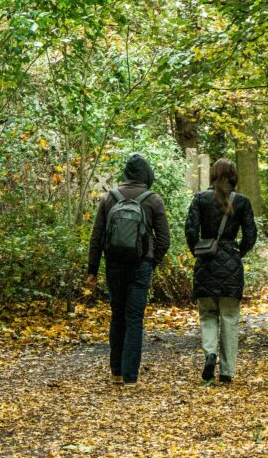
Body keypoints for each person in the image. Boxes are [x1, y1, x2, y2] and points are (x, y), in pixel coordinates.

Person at [86, 153, 170, 387]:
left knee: (117, 315)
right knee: (134, 318)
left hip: (114, 265)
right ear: (146, 174)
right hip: (140, 265)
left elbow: (97, 236)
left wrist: (92, 269)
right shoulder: (152, 200)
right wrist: (151, 262)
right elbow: (164, 239)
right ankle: (131, 376)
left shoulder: (109, 198)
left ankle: (116, 373)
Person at [184, 158, 257, 384]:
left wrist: (198, 251)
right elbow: (250, 235)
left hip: (206, 262)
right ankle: (226, 371)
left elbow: (190, 229)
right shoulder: (242, 202)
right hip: (231, 265)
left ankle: (209, 354)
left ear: (212, 175)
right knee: (230, 317)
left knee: (207, 315)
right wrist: (237, 253)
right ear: (234, 176)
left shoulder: (200, 199)